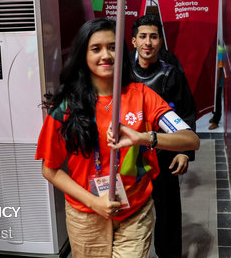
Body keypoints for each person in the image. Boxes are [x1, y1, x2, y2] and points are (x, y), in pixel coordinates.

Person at [36, 18, 200, 258]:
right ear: (84, 54)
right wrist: (94, 202)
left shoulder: (142, 95)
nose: (106, 55)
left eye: (113, 47)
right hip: (86, 214)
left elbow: (190, 139)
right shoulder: (67, 106)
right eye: (96, 48)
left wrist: (145, 138)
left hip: (136, 211)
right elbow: (49, 169)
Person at [129, 15, 197, 258]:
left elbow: (187, 112)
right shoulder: (121, 70)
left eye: (154, 37)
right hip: (129, 153)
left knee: (167, 212)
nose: (148, 42)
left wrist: (183, 152)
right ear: (134, 41)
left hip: (164, 151)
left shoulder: (172, 74)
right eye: (143, 36)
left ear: (160, 42)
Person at [209, 42, 225, 130]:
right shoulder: (213, 50)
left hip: (218, 82)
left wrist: (217, 83)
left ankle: (216, 121)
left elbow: (219, 69)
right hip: (213, 80)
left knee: (217, 100)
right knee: (213, 100)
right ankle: (214, 115)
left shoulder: (219, 51)